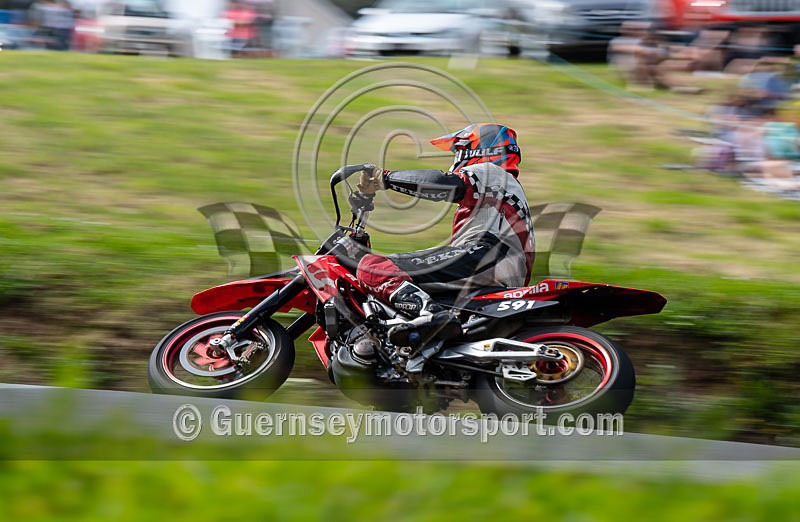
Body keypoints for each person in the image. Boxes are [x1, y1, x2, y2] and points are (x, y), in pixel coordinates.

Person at [354, 123, 535, 347]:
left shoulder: (494, 174)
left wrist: (387, 178)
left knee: (374, 268)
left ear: (480, 150)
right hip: (494, 265)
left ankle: (432, 315)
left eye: (458, 151)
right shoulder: (499, 190)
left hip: (486, 256)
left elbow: (445, 184)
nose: (456, 158)